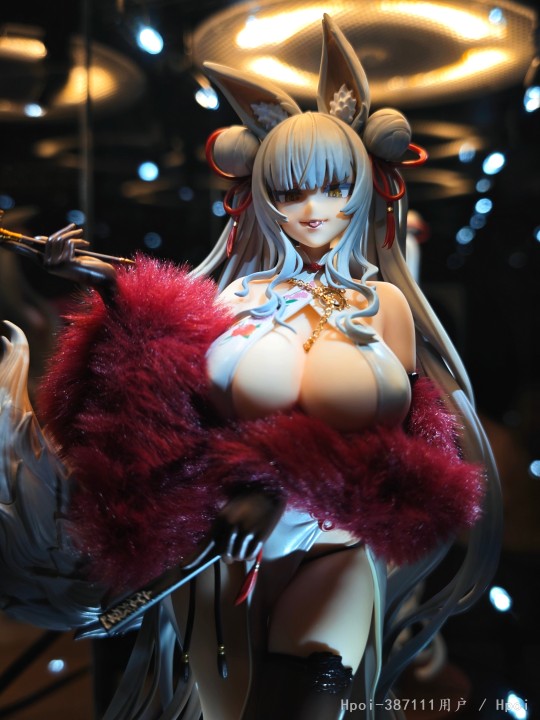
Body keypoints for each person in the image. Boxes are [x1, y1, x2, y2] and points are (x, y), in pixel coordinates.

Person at [0, 15, 501, 720]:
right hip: (228, 560)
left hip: (335, 546)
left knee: (310, 697)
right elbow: (169, 412)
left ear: (366, 186)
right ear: (261, 196)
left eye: (334, 187)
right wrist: (109, 287)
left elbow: (407, 451)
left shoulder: (382, 304)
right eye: (290, 192)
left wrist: (279, 484)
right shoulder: (235, 300)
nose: (314, 209)